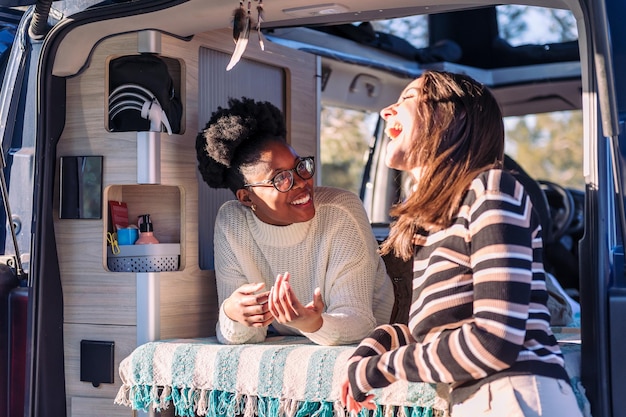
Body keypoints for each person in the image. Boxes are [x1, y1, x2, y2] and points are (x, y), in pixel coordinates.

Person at [341, 71, 583, 416]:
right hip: (477, 399)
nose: (386, 111)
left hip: (516, 395)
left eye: (408, 98)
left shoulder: (492, 189)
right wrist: (377, 345)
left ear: (451, 115)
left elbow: (492, 339)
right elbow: (444, 330)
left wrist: (380, 369)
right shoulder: (434, 223)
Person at [196, 97, 394, 346]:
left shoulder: (341, 210)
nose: (301, 182)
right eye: (281, 179)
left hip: (379, 336)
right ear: (246, 197)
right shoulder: (232, 222)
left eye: (300, 166)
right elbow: (244, 336)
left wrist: (312, 323)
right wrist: (233, 314)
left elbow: (361, 322)